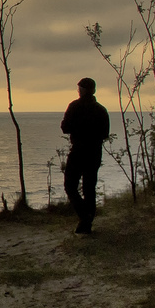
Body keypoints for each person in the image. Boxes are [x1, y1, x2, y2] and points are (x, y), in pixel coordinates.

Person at [61, 77, 111, 235]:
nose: (78, 91)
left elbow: (65, 127)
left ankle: (85, 217)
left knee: (70, 185)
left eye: (79, 88)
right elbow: (105, 133)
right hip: (94, 152)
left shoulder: (74, 106)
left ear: (82, 90)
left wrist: (79, 130)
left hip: (78, 151)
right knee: (89, 188)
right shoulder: (101, 110)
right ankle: (86, 221)